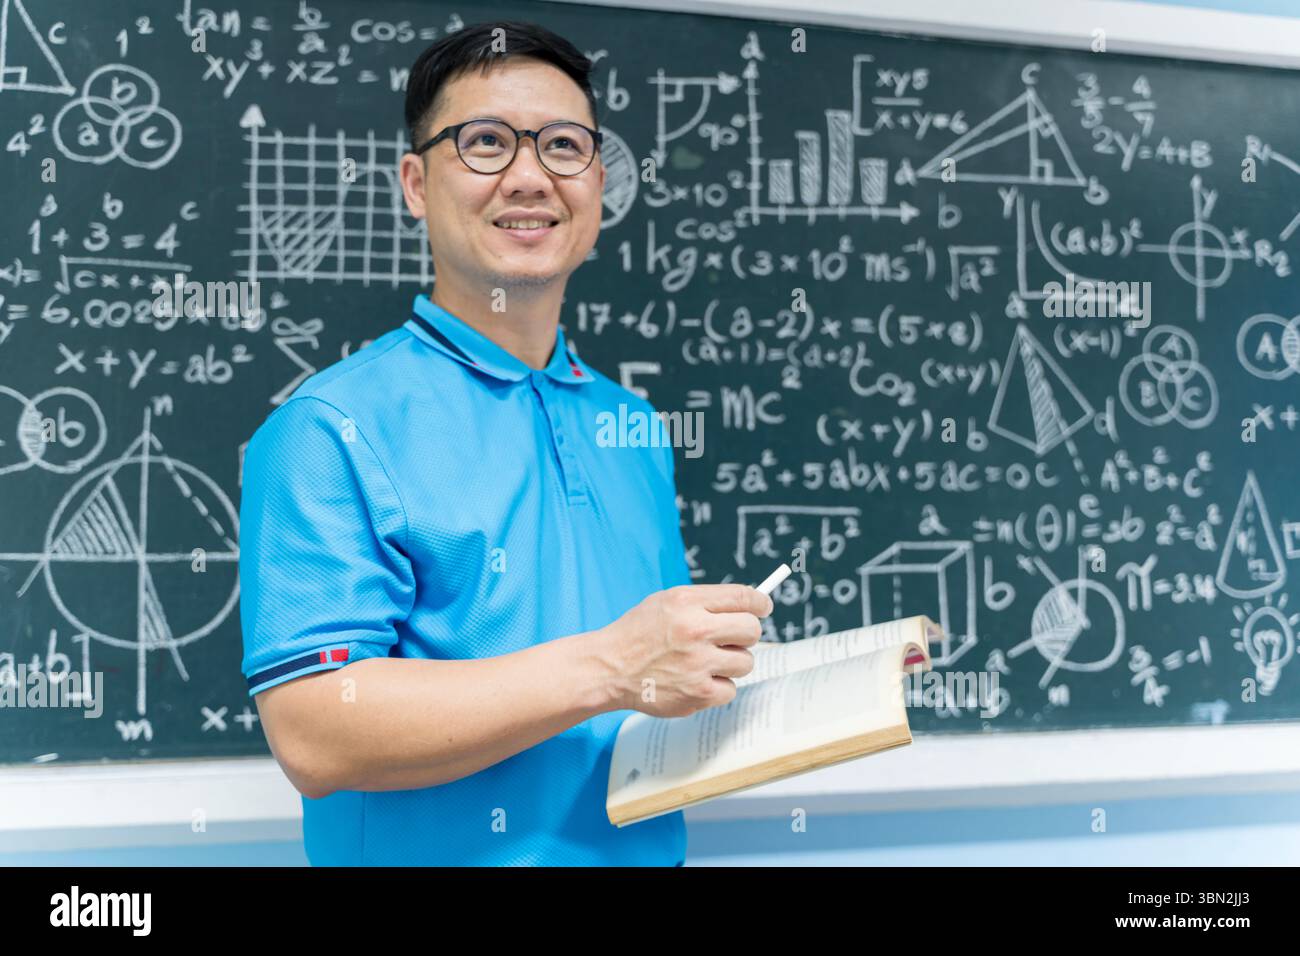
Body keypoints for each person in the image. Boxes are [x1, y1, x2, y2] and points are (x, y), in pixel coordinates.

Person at [238, 19, 771, 866]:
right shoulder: (329, 429)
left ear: (597, 182)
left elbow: (651, 688)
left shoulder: (631, 426)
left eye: (563, 146)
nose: (530, 176)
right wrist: (611, 666)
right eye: (485, 143)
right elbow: (314, 731)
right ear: (415, 183)